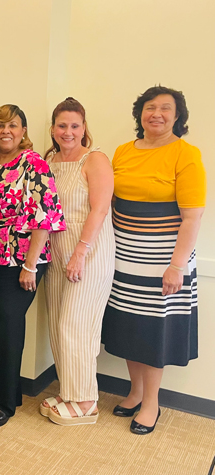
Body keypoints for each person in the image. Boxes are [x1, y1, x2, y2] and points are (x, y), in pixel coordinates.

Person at [102, 86, 206, 435]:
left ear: (178, 116)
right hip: (126, 256)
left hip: (164, 259)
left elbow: (192, 217)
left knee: (153, 331)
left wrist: (176, 266)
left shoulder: (186, 154)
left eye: (165, 108)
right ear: (140, 113)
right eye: (149, 108)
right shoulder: (122, 151)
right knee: (130, 325)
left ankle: (152, 403)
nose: (156, 114)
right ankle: (134, 392)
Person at [0, 104, 65, 427]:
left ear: (23, 132)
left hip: (20, 257)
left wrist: (30, 265)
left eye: (13, 125)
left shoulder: (33, 165)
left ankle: (5, 401)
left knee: (8, 323)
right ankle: (8, 390)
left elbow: (44, 218)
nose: (6, 131)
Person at [40, 98, 115, 425]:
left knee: (76, 324)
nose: (68, 132)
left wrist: (80, 253)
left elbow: (99, 209)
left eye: (74, 126)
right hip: (55, 252)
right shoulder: (49, 160)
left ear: (84, 128)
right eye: (62, 125)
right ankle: (70, 390)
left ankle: (86, 401)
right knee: (58, 323)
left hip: (88, 251)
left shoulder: (95, 159)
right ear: (53, 128)